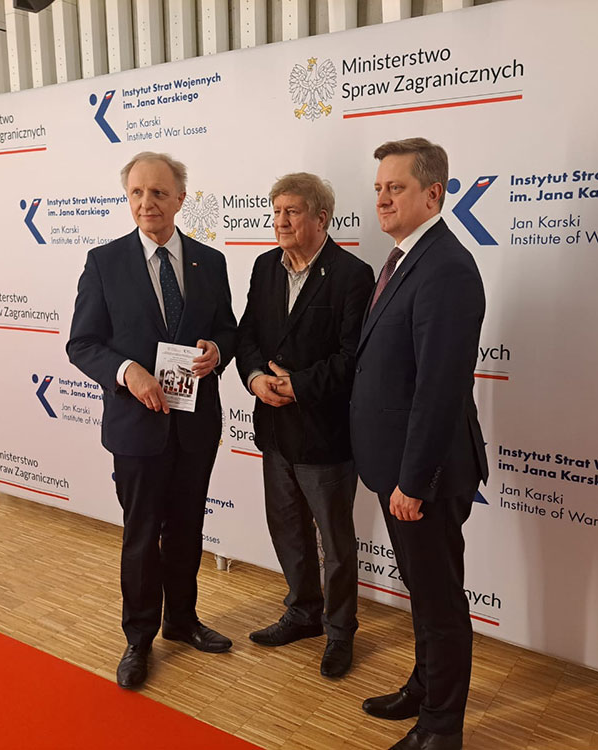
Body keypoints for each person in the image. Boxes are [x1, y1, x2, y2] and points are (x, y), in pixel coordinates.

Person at [66, 152, 238, 690]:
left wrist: (217, 352)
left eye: (159, 193)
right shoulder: (104, 262)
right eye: (137, 193)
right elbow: (82, 344)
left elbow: (229, 330)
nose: (147, 203)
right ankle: (138, 638)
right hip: (136, 428)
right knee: (142, 536)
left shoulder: (210, 262)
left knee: (187, 530)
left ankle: (181, 621)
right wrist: (127, 371)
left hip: (195, 427)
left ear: (181, 199)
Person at [350, 139, 489, 750]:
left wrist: (413, 481)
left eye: (396, 188)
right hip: (398, 469)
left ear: (433, 193)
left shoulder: (446, 268)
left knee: (439, 602)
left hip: (423, 476)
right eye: (379, 188)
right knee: (423, 593)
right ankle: (423, 687)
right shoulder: (407, 258)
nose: (382, 198)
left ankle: (440, 728)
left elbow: (439, 389)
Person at [235, 173, 374, 678]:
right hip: (274, 428)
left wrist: (299, 385)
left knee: (335, 544)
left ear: (321, 217)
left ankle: (340, 631)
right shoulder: (264, 267)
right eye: (276, 212)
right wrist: (255, 378)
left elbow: (353, 357)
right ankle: (302, 612)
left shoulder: (352, 274)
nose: (280, 221)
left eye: (291, 211)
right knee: (288, 529)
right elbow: (247, 336)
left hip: (324, 434)